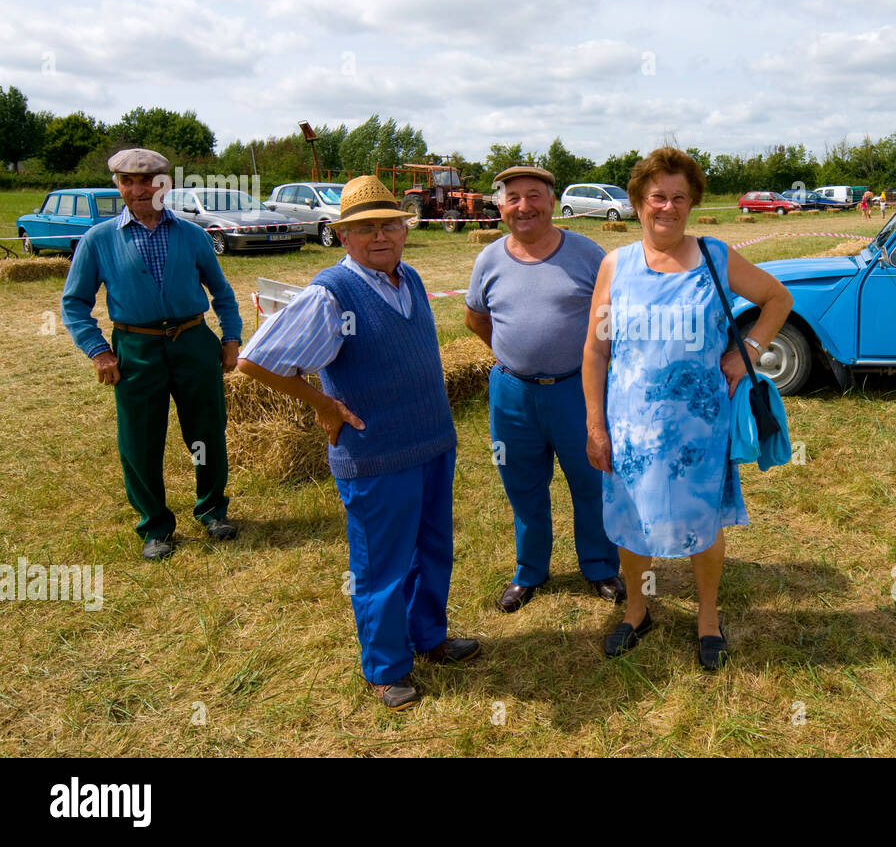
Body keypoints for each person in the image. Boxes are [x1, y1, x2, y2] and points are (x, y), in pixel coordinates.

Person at [237, 175, 478, 711]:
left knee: (432, 549)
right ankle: (387, 668)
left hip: (433, 442)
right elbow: (255, 359)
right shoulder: (332, 292)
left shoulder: (408, 277)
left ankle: (430, 637)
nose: (379, 236)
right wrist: (323, 405)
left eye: (388, 225)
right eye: (363, 229)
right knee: (381, 567)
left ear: (403, 229)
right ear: (343, 238)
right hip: (375, 455)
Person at [583, 148, 792, 670]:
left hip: (700, 429)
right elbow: (596, 349)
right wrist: (595, 425)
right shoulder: (616, 266)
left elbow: (777, 299)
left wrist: (746, 354)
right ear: (637, 203)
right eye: (658, 197)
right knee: (631, 521)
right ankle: (636, 611)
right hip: (629, 428)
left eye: (679, 197)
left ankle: (706, 618)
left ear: (692, 202)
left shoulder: (716, 257)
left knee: (704, 522)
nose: (668, 207)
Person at [61, 148, 241, 561]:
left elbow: (222, 293)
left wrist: (231, 338)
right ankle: (155, 525)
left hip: (194, 344)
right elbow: (74, 304)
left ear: (167, 184)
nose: (139, 190)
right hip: (135, 349)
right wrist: (99, 352)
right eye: (129, 182)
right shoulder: (99, 240)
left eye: (149, 181)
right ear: (118, 186)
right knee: (140, 440)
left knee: (205, 431)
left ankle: (213, 510)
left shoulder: (192, 235)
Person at [465, 166, 624, 613]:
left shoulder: (588, 253)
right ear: (500, 206)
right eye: (513, 197)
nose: (524, 206)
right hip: (512, 394)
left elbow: (614, 318)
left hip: (577, 390)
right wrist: (513, 355)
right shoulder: (489, 259)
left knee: (592, 480)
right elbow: (475, 317)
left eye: (534, 196)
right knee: (522, 484)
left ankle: (599, 566)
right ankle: (530, 570)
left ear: (552, 202)